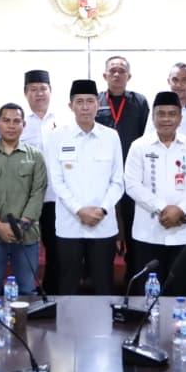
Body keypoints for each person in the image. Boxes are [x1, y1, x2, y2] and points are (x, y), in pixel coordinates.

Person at [124, 91, 186, 292]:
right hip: (148, 232)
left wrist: (180, 209)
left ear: (180, 117)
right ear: (153, 117)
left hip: (184, 232)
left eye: (172, 114)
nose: (166, 119)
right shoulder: (139, 146)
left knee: (178, 291)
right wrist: (163, 208)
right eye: (161, 114)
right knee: (148, 292)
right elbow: (132, 184)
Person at [46, 80, 125, 295]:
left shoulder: (111, 136)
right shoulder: (57, 136)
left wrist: (102, 210)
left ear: (98, 105)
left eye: (90, 101)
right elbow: (56, 181)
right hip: (69, 225)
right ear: (70, 106)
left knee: (103, 285)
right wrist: (79, 210)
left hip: (103, 224)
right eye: (79, 102)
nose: (85, 107)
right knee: (68, 285)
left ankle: (103, 320)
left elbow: (118, 181)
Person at [0, 103, 47, 295]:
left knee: (27, 290)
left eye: (16, 121)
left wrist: (21, 225)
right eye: (6, 121)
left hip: (26, 234)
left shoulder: (36, 156)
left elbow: (38, 193)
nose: (11, 126)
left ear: (24, 125)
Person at [96, 56, 149, 271]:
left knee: (134, 228)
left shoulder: (140, 102)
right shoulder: (95, 101)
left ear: (129, 76)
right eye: (112, 70)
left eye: (121, 71)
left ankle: (134, 278)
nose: (117, 74)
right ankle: (102, 278)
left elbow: (147, 138)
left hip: (132, 175)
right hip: (103, 177)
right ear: (105, 75)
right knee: (105, 230)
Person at [20, 69, 62, 293]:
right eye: (33, 89)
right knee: (28, 248)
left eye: (43, 89)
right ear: (25, 93)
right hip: (28, 198)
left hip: (56, 197)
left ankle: (51, 292)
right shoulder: (20, 122)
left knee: (55, 249)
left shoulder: (63, 120)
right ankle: (28, 292)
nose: (39, 94)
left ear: (50, 91)